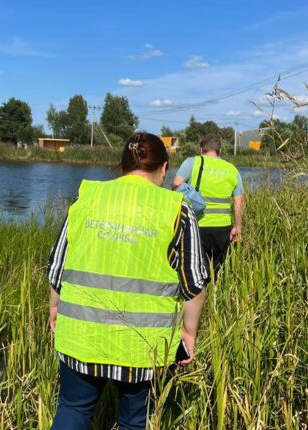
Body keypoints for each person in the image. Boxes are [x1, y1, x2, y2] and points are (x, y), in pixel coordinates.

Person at [47, 132, 209, 430]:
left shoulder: (87, 198)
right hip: (143, 347)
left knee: (73, 408)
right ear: (163, 168)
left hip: (80, 334)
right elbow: (194, 282)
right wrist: (189, 333)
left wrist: (54, 309)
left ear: (121, 166)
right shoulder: (177, 209)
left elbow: (58, 265)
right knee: (134, 422)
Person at [172, 136, 244, 275]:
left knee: (196, 269)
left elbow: (176, 183)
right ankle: (217, 293)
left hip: (197, 224)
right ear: (220, 151)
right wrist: (237, 227)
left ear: (201, 149)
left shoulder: (192, 162)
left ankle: (202, 295)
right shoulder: (231, 169)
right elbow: (239, 201)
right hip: (222, 227)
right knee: (219, 269)